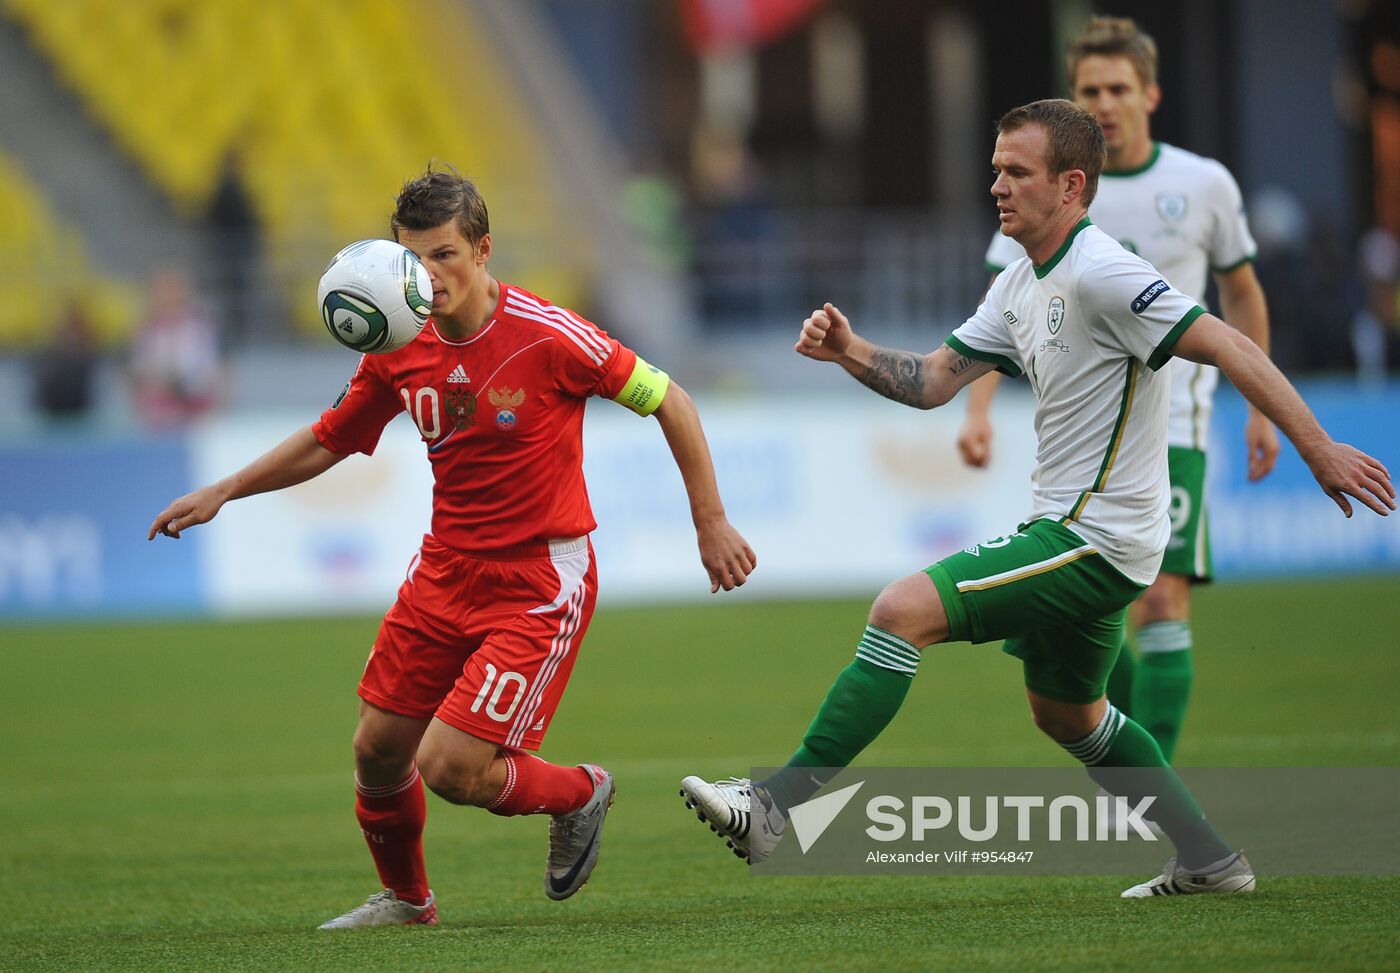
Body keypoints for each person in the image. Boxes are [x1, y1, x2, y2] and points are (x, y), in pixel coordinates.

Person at [680, 99, 1393, 897]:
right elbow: (932, 381)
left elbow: (1224, 339)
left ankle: (774, 806)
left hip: (1097, 537)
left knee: (899, 610)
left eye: (1016, 172)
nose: (997, 186)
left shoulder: (1105, 272)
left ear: (1071, 186)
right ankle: (1210, 861)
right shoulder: (1020, 283)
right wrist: (850, 351)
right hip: (1083, 532)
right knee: (1067, 714)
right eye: (995, 170)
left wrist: (1316, 445)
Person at [149, 168, 757, 927]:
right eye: (413, 258)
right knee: (376, 748)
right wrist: (225, 489)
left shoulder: (550, 335)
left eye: (443, 256)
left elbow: (671, 399)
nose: (427, 277)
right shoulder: (398, 343)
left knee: (450, 766)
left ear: (483, 249)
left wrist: (711, 520)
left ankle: (581, 790)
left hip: (540, 579)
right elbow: (331, 438)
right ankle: (408, 900)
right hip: (445, 568)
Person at [956, 17, 1278, 763]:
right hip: (1078, 436)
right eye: (1089, 89)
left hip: (1179, 424)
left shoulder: (1202, 184)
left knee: (1162, 598)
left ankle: (1149, 788)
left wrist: (1260, 409)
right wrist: (977, 414)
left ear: (1150, 94)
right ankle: (1137, 763)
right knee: (1073, 616)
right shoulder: (1041, 187)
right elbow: (994, 314)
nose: (1104, 102)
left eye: (1118, 88)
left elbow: (1243, 296)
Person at [128, 265, 225, 428]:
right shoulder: (146, 328)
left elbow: (217, 370)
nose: (171, 294)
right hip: (160, 409)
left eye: (175, 288)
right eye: (166, 289)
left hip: (198, 404)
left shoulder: (202, 325)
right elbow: (138, 372)